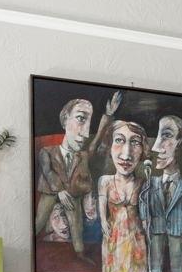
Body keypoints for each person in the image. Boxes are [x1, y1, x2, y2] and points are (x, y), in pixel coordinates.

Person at [36, 91, 122, 262]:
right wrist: (59, 190)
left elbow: (96, 140)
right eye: (81, 119)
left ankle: (80, 254)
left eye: (89, 122)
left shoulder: (82, 156)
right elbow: (47, 172)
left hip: (73, 195)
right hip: (52, 192)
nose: (84, 133)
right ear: (65, 119)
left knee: (77, 226)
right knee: (39, 222)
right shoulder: (47, 151)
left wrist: (108, 115)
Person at [139, 113, 182, 272]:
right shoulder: (151, 181)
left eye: (166, 135)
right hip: (156, 228)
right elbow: (143, 201)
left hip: (178, 230)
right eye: (159, 136)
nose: (155, 147)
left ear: (180, 142)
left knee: (177, 269)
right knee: (154, 267)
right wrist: (145, 220)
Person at [97, 117, 148, 272]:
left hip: (136, 235)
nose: (126, 155)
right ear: (109, 146)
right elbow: (102, 202)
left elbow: (146, 211)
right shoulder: (105, 181)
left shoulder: (143, 182)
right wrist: (104, 221)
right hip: (113, 234)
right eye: (119, 140)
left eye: (135, 142)